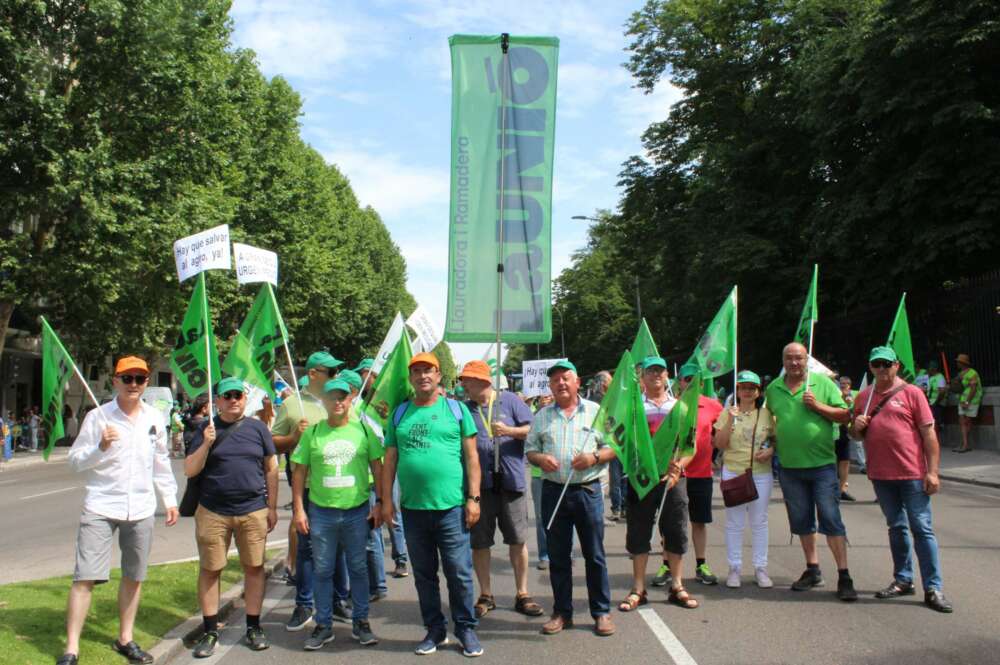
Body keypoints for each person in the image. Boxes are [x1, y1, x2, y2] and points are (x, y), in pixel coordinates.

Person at [58, 357, 179, 665]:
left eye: (140, 378)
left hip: (140, 506)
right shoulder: (98, 417)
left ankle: (125, 639)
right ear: (115, 381)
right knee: (85, 577)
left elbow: (160, 461)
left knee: (134, 575)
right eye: (127, 379)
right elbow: (75, 461)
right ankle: (71, 648)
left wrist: (170, 498)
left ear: (147, 382)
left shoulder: (154, 418)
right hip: (101, 504)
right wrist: (100, 447)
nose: (134, 384)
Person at [380, 352, 484, 657]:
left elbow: (472, 458)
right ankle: (435, 630)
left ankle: (465, 628)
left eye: (429, 370)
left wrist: (474, 499)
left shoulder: (456, 410)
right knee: (424, 576)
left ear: (439, 376)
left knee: (459, 573)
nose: (423, 375)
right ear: (411, 378)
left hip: (451, 508)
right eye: (417, 371)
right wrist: (387, 501)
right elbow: (389, 462)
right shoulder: (399, 414)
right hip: (413, 511)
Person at [850, 346, 953, 613]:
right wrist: (856, 428)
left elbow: (929, 435)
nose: (882, 370)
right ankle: (903, 579)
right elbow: (856, 436)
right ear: (870, 367)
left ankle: (933, 587)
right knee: (896, 527)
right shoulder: (863, 397)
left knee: (922, 528)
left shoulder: (912, 393)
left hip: (912, 474)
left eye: (886, 364)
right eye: (876, 365)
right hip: (881, 475)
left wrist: (932, 471)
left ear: (896, 365)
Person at [185, 378, 279, 657]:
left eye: (238, 395)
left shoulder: (258, 428)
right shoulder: (205, 428)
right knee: (211, 569)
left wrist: (272, 507)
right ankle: (210, 630)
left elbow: (271, 468)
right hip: (213, 511)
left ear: (245, 397)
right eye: (227, 396)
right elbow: (190, 470)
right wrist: (206, 444)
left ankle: (253, 626)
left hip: (252, 509)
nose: (233, 400)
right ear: (218, 400)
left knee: (254, 567)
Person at [291, 377, 384, 650]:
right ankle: (323, 625)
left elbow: (378, 468)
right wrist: (299, 509)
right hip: (322, 513)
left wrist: (380, 503)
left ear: (350, 399)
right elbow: (299, 472)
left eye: (343, 397)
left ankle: (361, 622)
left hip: (356, 512)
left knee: (357, 568)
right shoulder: (314, 432)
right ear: (324, 401)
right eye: (332, 397)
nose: (338, 402)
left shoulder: (363, 431)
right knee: (322, 570)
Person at [526, 360, 616, 638]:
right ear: (550, 387)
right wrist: (541, 458)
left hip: (587, 492)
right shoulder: (541, 416)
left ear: (578, 383)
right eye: (555, 380)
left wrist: (594, 457)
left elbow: (614, 445)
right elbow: (530, 450)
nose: (561, 383)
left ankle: (601, 612)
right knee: (558, 556)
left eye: (566, 378)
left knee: (594, 555)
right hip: (553, 492)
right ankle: (562, 612)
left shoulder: (597, 411)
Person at [765, 343, 856, 601]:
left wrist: (817, 407)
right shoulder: (773, 390)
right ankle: (812, 568)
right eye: (789, 358)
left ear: (807, 360)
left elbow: (844, 416)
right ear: (783, 360)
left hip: (822, 467)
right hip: (790, 468)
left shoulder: (824, 384)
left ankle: (844, 575)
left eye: (799, 358)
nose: (794, 363)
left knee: (831, 518)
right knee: (802, 521)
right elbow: (769, 423)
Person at [457, 360, 542, 620]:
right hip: (479, 487)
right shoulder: (463, 408)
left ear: (484, 381)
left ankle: (522, 593)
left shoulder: (510, 401)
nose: (464, 385)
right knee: (480, 543)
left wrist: (510, 431)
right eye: (463, 380)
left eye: (467, 380)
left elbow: (533, 429)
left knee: (517, 539)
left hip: (510, 482)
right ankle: (486, 594)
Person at [272, 352, 350, 631]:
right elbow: (272, 442)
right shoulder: (292, 405)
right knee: (305, 548)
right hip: (304, 487)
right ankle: (303, 604)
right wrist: (293, 437)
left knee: (338, 545)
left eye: (336, 372)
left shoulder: (338, 401)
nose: (335, 376)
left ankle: (340, 599)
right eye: (330, 372)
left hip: (336, 485)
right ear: (314, 374)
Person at [618, 357, 700, 612]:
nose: (655, 375)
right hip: (641, 480)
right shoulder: (633, 409)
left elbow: (689, 446)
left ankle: (676, 586)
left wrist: (680, 468)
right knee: (639, 533)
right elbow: (624, 443)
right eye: (650, 371)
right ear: (642, 378)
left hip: (672, 481)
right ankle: (638, 589)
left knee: (675, 531)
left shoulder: (681, 408)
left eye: (660, 371)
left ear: (667, 376)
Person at [713, 370, 775, 588]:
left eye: (752, 388)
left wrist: (770, 451)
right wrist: (730, 419)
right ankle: (734, 568)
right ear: (737, 390)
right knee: (734, 523)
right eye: (743, 387)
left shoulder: (767, 414)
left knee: (759, 521)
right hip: (733, 471)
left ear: (758, 392)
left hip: (760, 473)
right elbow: (719, 443)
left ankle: (760, 567)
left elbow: (775, 439)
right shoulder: (728, 413)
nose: (747, 391)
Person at [677, 363, 723, 585]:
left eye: (695, 379)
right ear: (680, 382)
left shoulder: (713, 406)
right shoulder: (671, 406)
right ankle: (667, 565)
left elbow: (723, 433)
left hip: (702, 473)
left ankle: (701, 564)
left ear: (702, 383)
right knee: (672, 523)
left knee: (699, 522)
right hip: (676, 473)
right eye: (687, 379)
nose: (691, 383)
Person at [530, 393, 555, 570]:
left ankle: (565, 552)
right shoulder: (538, 416)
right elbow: (530, 444)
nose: (546, 399)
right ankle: (545, 554)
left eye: (549, 397)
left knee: (566, 515)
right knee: (541, 517)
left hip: (563, 475)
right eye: (543, 397)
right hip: (539, 475)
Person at [952, 354, 982, 453]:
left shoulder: (972, 373)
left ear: (963, 363)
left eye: (958, 362)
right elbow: (958, 387)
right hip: (962, 399)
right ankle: (964, 444)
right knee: (962, 421)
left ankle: (964, 444)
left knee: (968, 421)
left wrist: (967, 401)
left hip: (972, 400)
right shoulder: (960, 373)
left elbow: (973, 389)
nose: (957, 363)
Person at [836, 376, 858, 501]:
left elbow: (858, 410)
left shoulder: (854, 396)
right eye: (842, 383)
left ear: (850, 385)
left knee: (845, 460)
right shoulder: (835, 393)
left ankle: (842, 490)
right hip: (834, 429)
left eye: (846, 383)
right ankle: (832, 488)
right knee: (833, 460)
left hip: (845, 430)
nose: (843, 385)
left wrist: (851, 404)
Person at [926, 361, 947, 434]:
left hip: (937, 403)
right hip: (930, 403)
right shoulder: (931, 378)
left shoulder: (940, 377)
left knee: (937, 421)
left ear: (933, 369)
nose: (928, 369)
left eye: (929, 368)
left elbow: (942, 392)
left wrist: (936, 402)